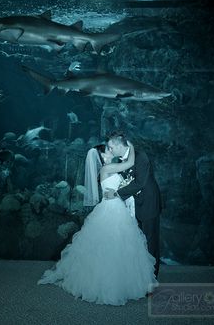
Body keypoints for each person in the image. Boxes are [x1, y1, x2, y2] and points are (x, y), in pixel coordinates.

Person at [37, 143, 158, 306]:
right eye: (109, 149)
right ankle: (111, 283)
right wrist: (129, 146)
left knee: (116, 245)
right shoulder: (107, 168)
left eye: (111, 148)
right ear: (103, 156)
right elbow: (129, 164)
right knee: (112, 245)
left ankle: (119, 279)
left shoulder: (108, 168)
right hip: (112, 208)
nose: (112, 150)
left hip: (115, 206)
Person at [105, 131, 161, 278]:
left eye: (111, 147)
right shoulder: (121, 161)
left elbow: (139, 182)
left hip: (148, 203)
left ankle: (151, 278)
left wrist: (116, 194)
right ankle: (140, 274)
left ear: (118, 145)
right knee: (138, 240)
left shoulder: (141, 156)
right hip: (133, 205)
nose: (110, 150)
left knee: (150, 240)